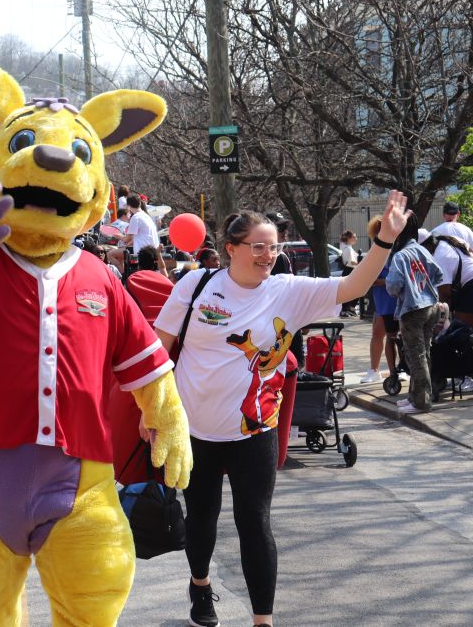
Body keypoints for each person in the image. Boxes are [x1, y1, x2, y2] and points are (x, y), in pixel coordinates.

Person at [152, 191, 410, 627]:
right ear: (231, 249)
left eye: (274, 247)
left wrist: (384, 240)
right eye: (257, 246)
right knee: (202, 520)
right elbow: (160, 352)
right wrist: (155, 417)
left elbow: (354, 286)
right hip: (195, 430)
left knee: (255, 523)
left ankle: (263, 621)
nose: (268, 255)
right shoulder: (195, 286)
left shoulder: (287, 292)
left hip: (255, 429)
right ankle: (199, 584)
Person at [386, 219, 443, 414]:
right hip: (430, 305)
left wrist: (406, 291)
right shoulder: (422, 250)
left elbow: (393, 285)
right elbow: (438, 273)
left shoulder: (399, 256)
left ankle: (421, 402)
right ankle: (416, 397)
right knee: (423, 354)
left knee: (415, 357)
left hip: (412, 309)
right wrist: (424, 288)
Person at [361, 216, 401, 384]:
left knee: (397, 337)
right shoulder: (377, 252)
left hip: (398, 299)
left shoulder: (399, 250)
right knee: (380, 333)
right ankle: (374, 369)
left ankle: (398, 369)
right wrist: (389, 281)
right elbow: (369, 278)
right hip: (384, 300)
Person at [426, 231, 473, 327]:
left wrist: (440, 323)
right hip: (469, 281)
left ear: (426, 247)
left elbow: (445, 296)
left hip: (470, 284)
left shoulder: (440, 257)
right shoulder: (447, 240)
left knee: (460, 330)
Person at [339, 230, 360, 317]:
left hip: (350, 270)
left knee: (354, 290)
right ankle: (346, 309)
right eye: (354, 237)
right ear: (349, 238)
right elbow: (351, 262)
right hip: (349, 270)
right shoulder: (348, 249)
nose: (356, 238)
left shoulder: (348, 247)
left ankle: (350, 308)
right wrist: (361, 264)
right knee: (354, 290)